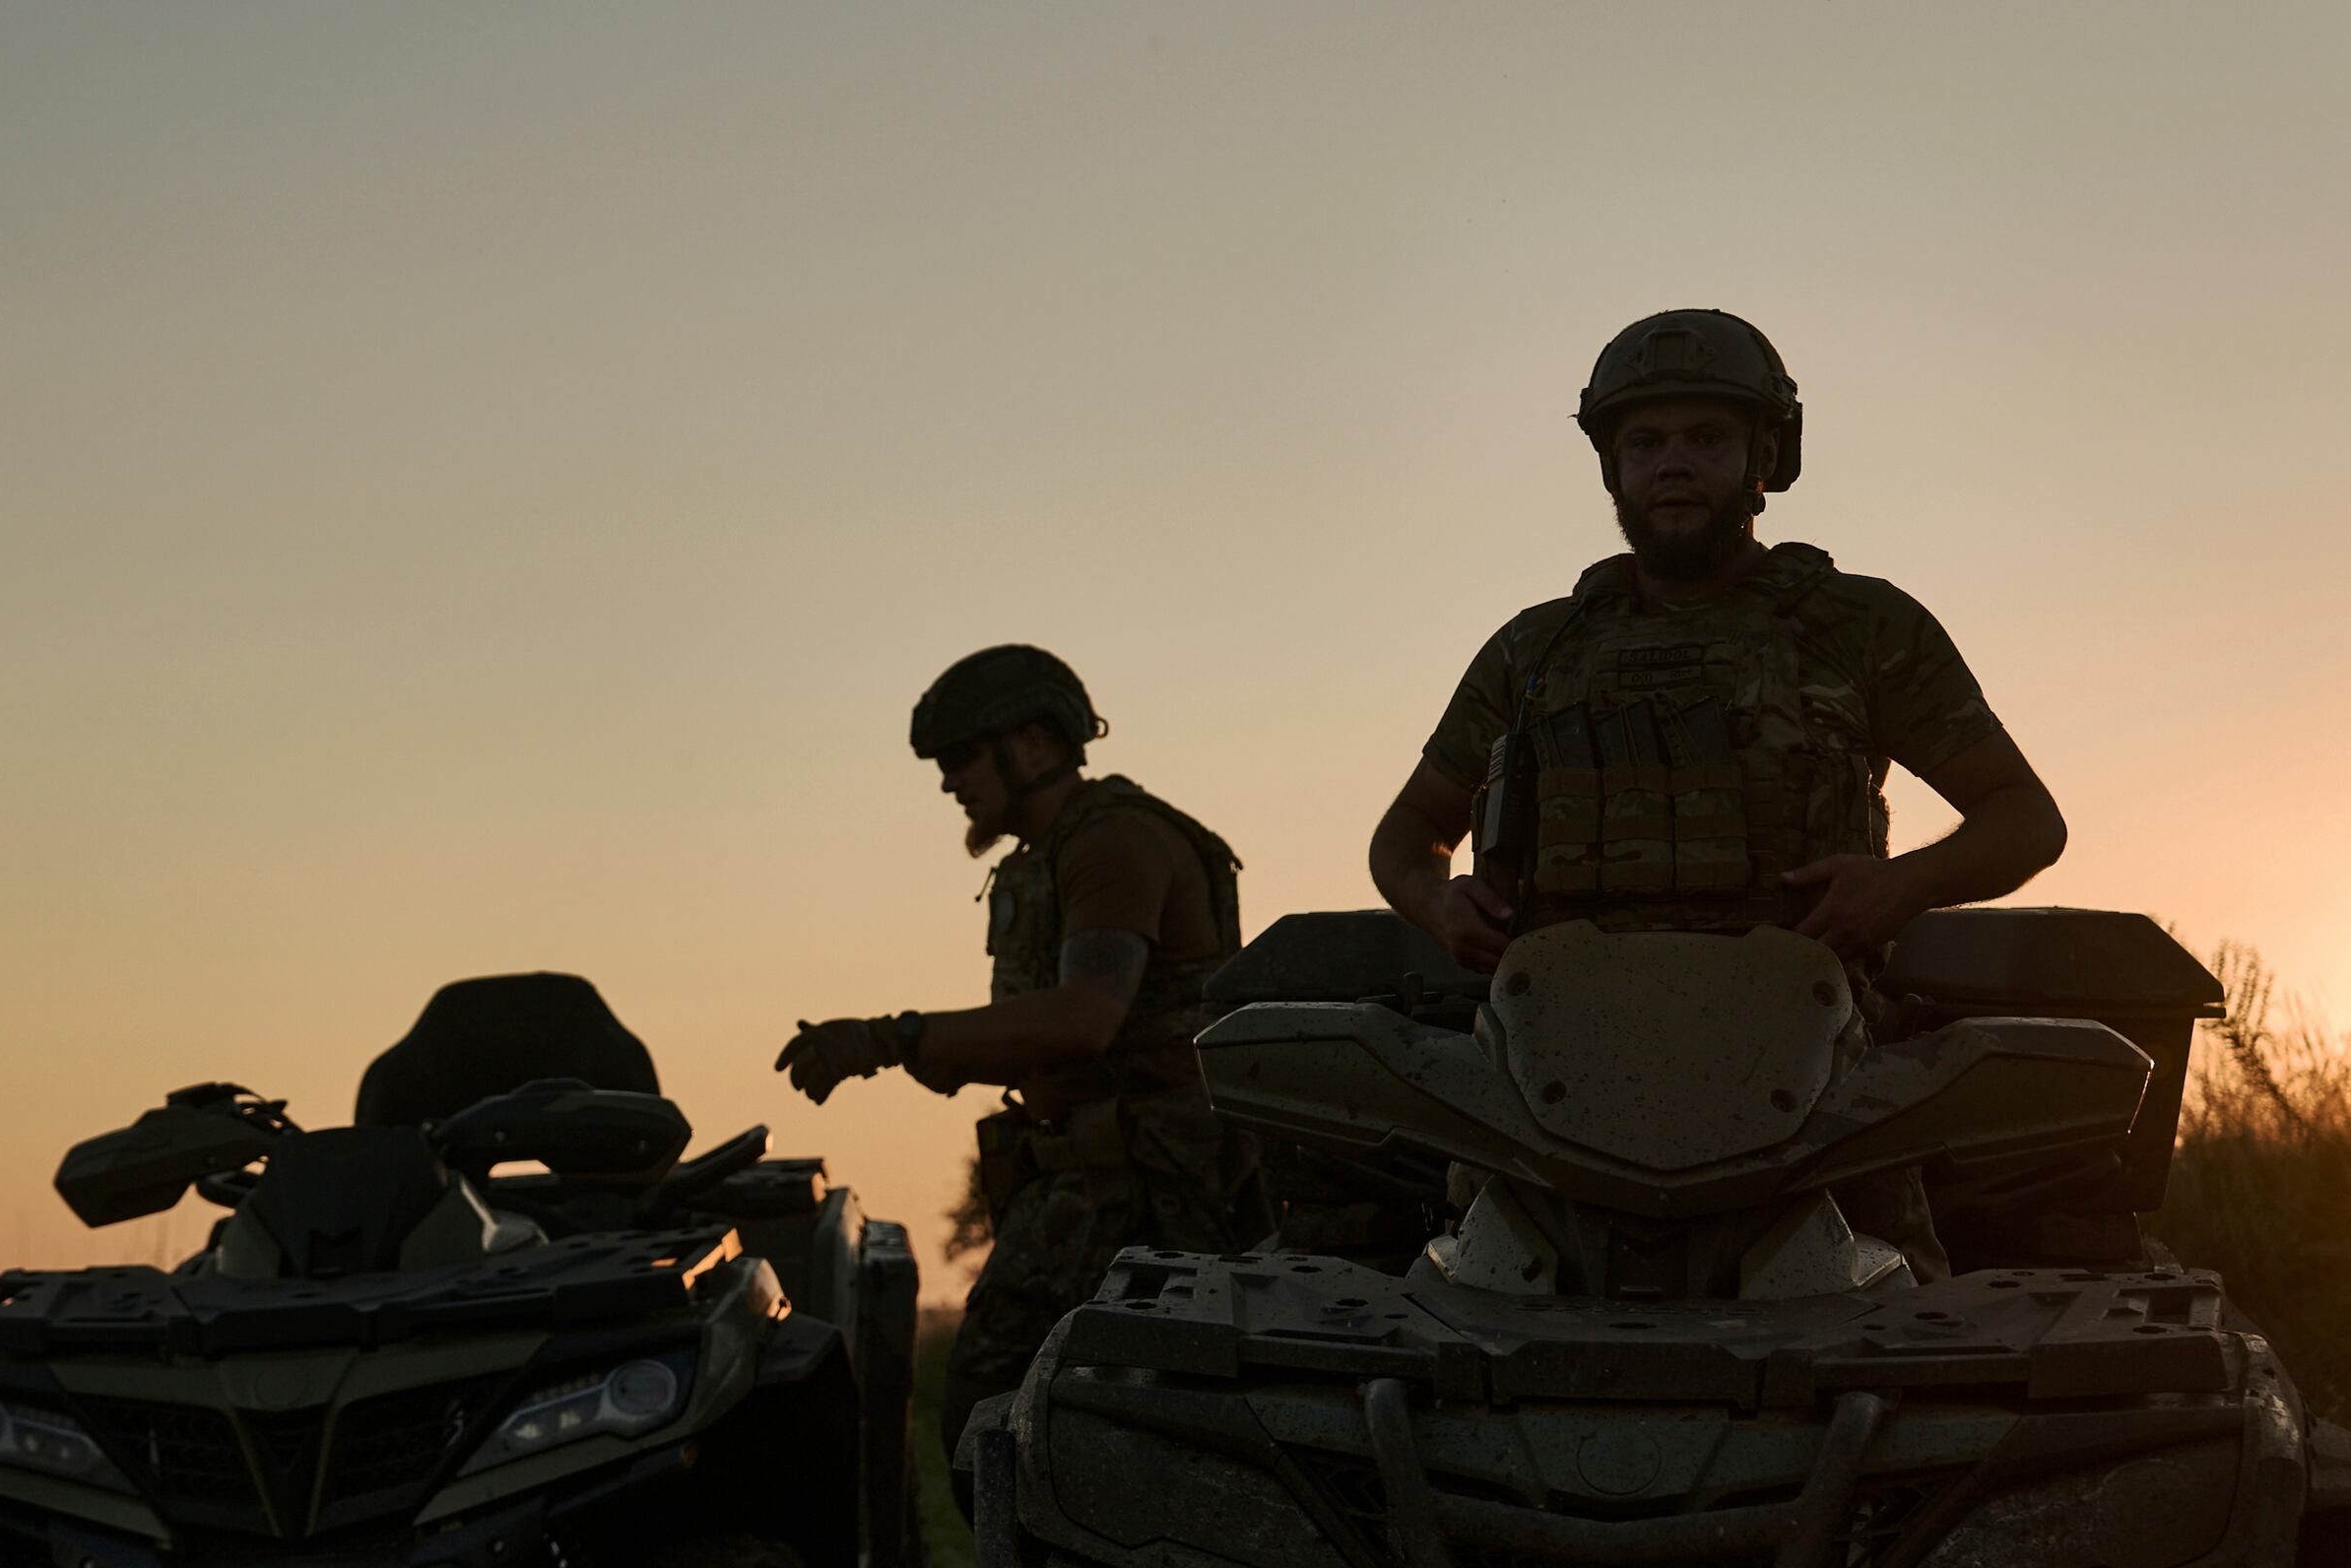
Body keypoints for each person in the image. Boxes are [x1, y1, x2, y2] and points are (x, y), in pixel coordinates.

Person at [1366, 309, 2067, 1272]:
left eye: (1706, 438)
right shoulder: (1536, 650)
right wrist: (1439, 903)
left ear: (1764, 457)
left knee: (1896, 1345)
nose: (1673, 463)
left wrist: (1900, 887)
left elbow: (2023, 818)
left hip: (1815, 1083)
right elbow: (1405, 838)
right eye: (1645, 442)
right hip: (1547, 1081)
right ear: (1612, 467)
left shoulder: (1860, 627)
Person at [777, 644, 1262, 1465]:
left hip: (1149, 1191)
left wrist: (893, 1037)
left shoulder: (1113, 840)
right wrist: (948, 1053)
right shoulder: (1049, 856)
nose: (947, 782)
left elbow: (1085, 1018)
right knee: (1016, 1429)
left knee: (992, 1419)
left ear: (1032, 744)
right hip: (1091, 1176)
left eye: (961, 757)